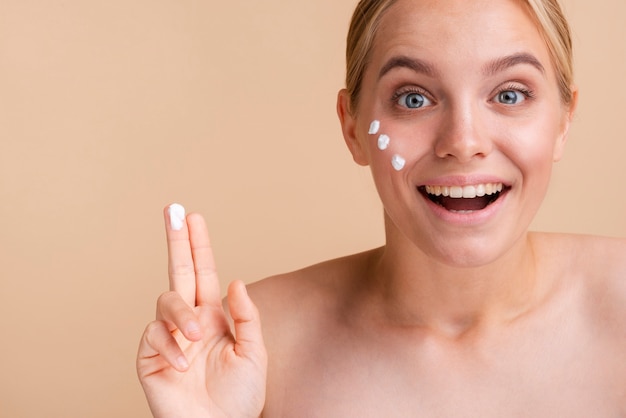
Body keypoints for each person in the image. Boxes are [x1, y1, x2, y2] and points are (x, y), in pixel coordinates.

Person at [137, 0, 626, 416]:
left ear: (564, 120)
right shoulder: (256, 349)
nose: (463, 142)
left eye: (510, 94)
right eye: (413, 98)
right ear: (353, 128)